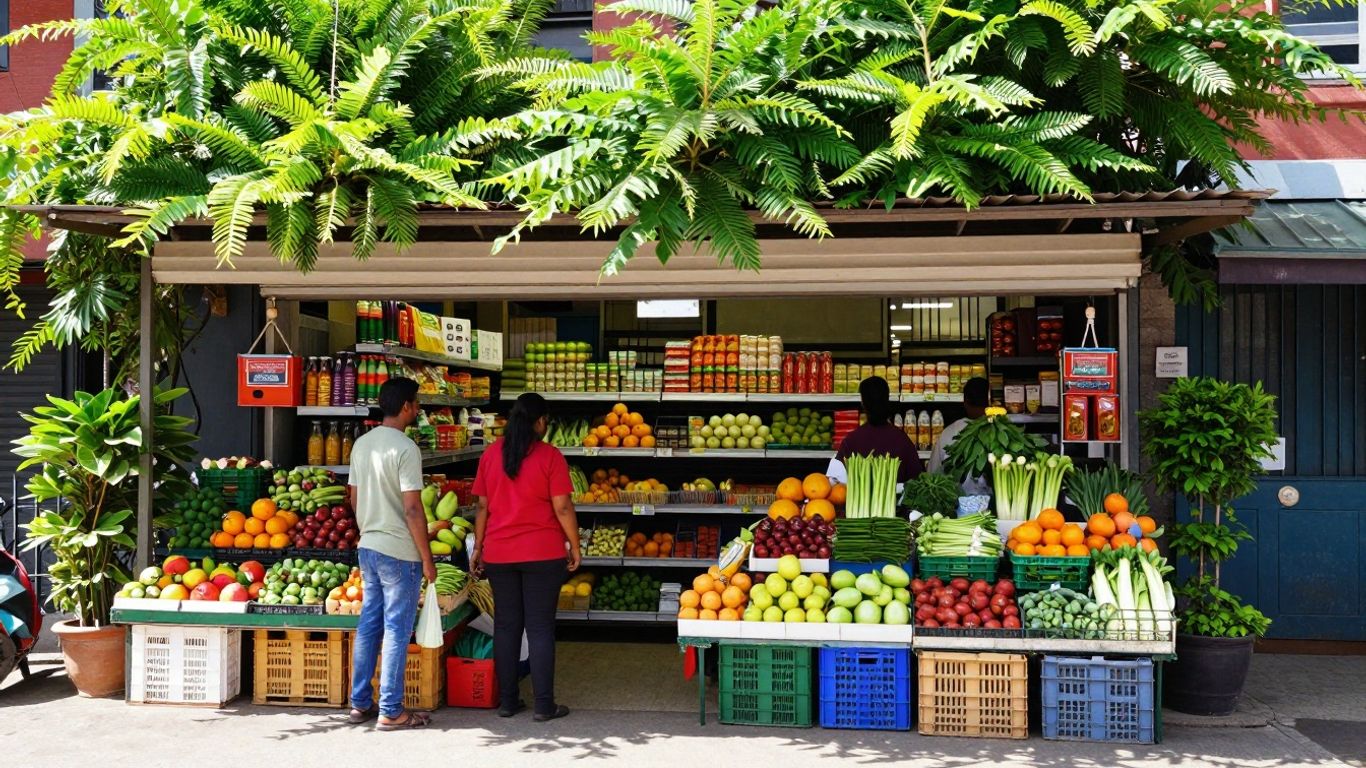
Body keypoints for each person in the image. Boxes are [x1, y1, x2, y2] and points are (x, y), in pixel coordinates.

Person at [471, 393, 580, 722]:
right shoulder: (550, 456)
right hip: (542, 553)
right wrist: (574, 545)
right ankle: (544, 706)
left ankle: (508, 701)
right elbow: (562, 506)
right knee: (540, 628)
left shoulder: (491, 454)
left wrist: (478, 547)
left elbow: (482, 506)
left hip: (499, 553)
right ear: (540, 421)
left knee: (506, 626)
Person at [347, 377, 437, 730]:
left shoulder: (362, 444)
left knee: (369, 625)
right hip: (399, 551)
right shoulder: (406, 449)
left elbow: (353, 497)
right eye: (416, 403)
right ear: (405, 407)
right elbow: (413, 509)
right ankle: (391, 710)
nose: (418, 409)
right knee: (397, 630)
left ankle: (359, 704)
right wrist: (427, 558)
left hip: (369, 546)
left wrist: (368, 528)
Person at [832, 376, 925, 484]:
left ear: (863, 403)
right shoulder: (902, 440)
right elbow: (917, 480)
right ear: (887, 400)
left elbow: (835, 480)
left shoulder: (851, 440)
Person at [928, 377, 992, 496]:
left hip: (956, 503)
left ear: (965, 401)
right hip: (995, 504)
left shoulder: (949, 432)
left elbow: (932, 475)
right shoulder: (1001, 430)